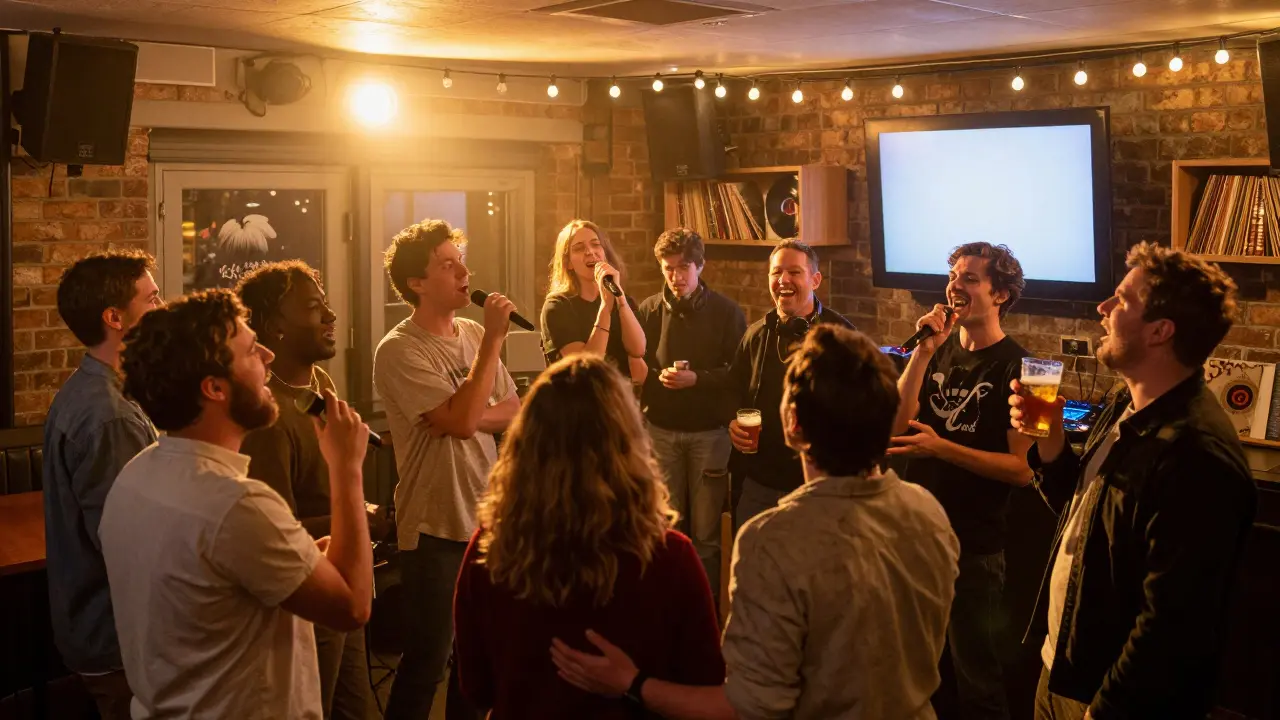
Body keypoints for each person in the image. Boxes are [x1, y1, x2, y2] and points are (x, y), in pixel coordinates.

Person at [551, 325, 960, 719]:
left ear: (792, 423)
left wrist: (632, 683)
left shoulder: (772, 540)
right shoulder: (928, 512)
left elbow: (746, 708)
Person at [1008, 243, 1256, 720]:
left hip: (1108, 700)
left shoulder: (1196, 455)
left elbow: (1171, 626)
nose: (1102, 308)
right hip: (1060, 671)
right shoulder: (1127, 405)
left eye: (1121, 299)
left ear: (1161, 331)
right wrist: (1052, 438)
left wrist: (1104, 711)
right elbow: (1083, 515)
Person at [100, 290, 374, 719]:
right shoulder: (237, 504)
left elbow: (211, 584)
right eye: (250, 350)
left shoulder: (134, 477)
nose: (268, 355)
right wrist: (346, 467)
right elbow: (352, 607)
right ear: (214, 388)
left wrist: (303, 555)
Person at [453, 354, 725, 718]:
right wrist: (635, 685)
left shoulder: (490, 548)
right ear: (629, 443)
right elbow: (712, 697)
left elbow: (477, 688)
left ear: (525, 444)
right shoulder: (669, 557)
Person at [374, 219, 521, 720]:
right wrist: (491, 351)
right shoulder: (400, 348)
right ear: (417, 282)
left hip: (486, 520)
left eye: (462, 261)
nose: (464, 273)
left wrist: (467, 413)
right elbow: (462, 423)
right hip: (434, 525)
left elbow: (512, 410)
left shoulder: (473, 334)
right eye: (448, 264)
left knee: (476, 662)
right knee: (427, 661)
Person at [888, 241, 1034, 720]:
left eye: (971, 278)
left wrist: (940, 448)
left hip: (973, 549)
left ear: (1000, 295)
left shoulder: (1020, 367)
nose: (955, 285)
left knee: (978, 683)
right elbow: (896, 425)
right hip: (917, 537)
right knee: (916, 674)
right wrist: (923, 353)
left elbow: (1021, 469)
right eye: (953, 276)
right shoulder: (937, 350)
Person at [236, 261, 376, 720]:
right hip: (307, 593)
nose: (331, 316)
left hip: (343, 573)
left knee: (355, 709)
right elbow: (276, 529)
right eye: (315, 307)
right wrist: (360, 515)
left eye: (327, 304)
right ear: (275, 326)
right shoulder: (268, 416)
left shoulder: (320, 385)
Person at [41, 250, 163, 719]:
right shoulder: (109, 416)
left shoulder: (91, 390)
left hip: (100, 632)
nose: (163, 308)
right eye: (152, 299)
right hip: (119, 640)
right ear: (115, 318)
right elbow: (130, 545)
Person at [636, 228, 747, 600]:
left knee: (705, 537)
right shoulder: (649, 310)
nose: (676, 276)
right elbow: (637, 365)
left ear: (700, 265)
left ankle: (705, 615)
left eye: (683, 267)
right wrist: (656, 377)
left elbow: (738, 374)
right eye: (668, 268)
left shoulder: (727, 312)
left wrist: (697, 378)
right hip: (661, 431)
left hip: (709, 434)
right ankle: (667, 614)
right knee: (666, 531)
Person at [726, 239, 853, 528]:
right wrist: (731, 420)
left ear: (815, 280)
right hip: (759, 484)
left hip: (818, 486)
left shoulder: (842, 336)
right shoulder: (756, 334)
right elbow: (732, 387)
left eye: (794, 272)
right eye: (776, 272)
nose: (783, 280)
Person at [540, 219, 647, 383]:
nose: (590, 252)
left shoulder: (622, 300)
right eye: (579, 248)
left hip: (618, 394)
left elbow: (638, 349)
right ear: (568, 263)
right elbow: (585, 368)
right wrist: (605, 307)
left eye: (596, 245)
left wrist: (621, 300)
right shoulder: (557, 306)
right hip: (580, 396)